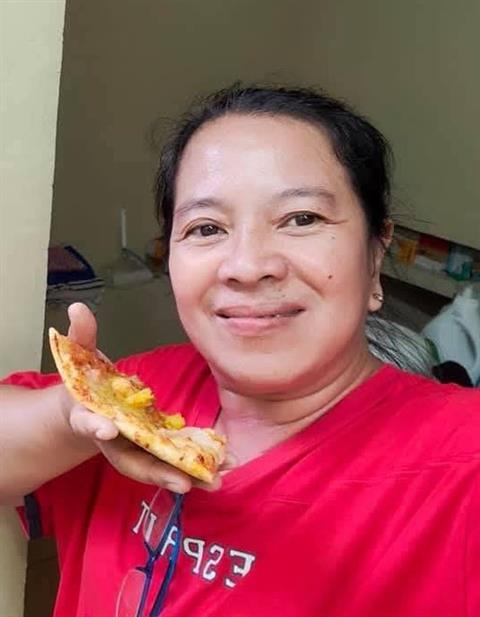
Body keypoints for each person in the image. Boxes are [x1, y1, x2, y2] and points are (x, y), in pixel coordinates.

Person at [1, 84, 479, 617]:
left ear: (375, 253)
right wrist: (74, 412)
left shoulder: (461, 462)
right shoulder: (147, 394)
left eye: (302, 219)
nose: (248, 267)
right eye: (206, 228)